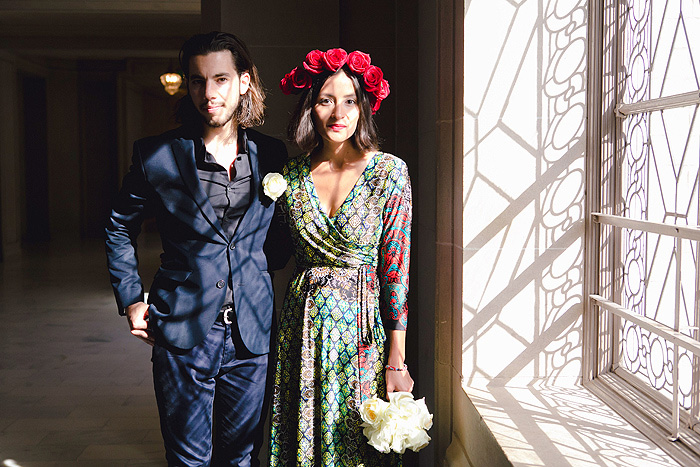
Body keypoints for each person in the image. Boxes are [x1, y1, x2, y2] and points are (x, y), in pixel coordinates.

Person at [105, 31, 289, 467]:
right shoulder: (157, 155)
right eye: (197, 81)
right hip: (184, 331)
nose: (209, 93)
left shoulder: (272, 156)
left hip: (253, 331)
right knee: (188, 459)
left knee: (242, 456)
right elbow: (118, 226)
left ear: (244, 81)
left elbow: (278, 241)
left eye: (221, 79)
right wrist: (131, 298)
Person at [270, 48, 413, 466]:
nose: (339, 112)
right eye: (326, 100)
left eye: (350, 100)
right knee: (304, 441)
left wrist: (397, 359)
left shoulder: (389, 172)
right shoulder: (289, 176)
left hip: (361, 332)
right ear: (309, 108)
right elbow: (270, 252)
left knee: (357, 441)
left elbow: (396, 271)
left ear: (364, 105)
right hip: (302, 328)